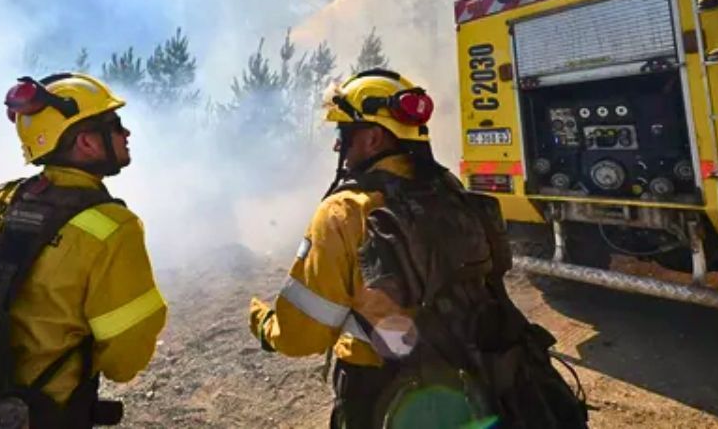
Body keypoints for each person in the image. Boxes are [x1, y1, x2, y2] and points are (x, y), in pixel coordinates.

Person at [247, 69, 587, 428]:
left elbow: (302, 336)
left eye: (343, 134)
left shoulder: (345, 210)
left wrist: (265, 324)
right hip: (478, 374)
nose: (337, 147)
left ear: (373, 138)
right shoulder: (450, 188)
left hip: (385, 391)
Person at [0, 72, 167, 426]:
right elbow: (125, 359)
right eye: (114, 125)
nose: (126, 134)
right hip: (48, 413)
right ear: (86, 142)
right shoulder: (114, 228)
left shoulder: (3, 198)